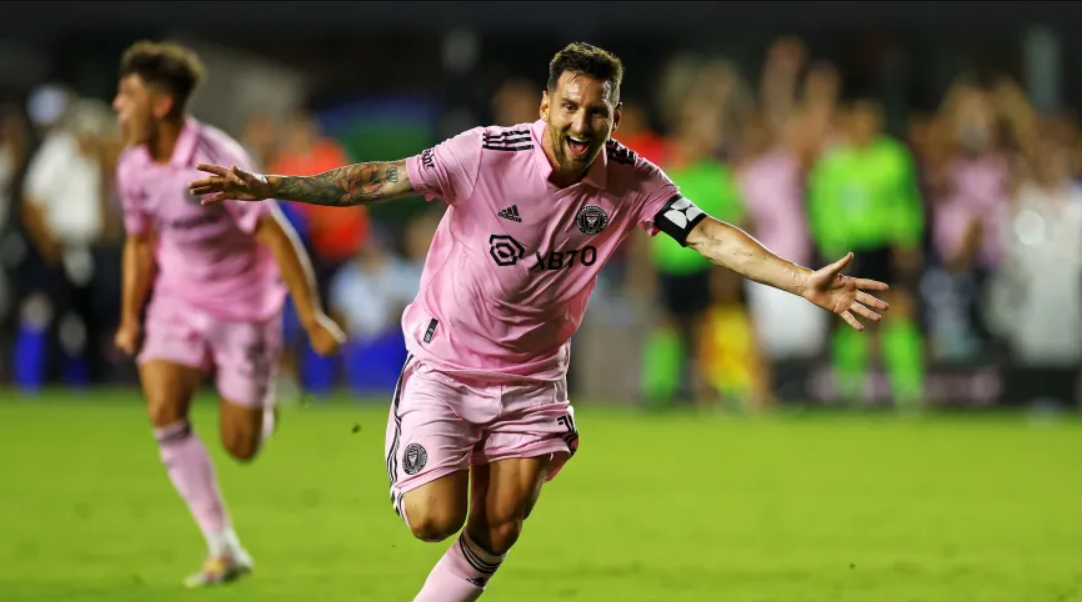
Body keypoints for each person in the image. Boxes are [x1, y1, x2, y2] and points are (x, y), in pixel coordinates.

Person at [190, 42, 889, 601]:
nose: (584, 125)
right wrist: (272, 185)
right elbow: (377, 180)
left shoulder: (632, 178)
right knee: (434, 520)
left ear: (615, 115)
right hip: (447, 363)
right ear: (548, 104)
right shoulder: (484, 154)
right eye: (573, 108)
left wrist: (804, 282)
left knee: (498, 529)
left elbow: (706, 233)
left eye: (600, 112)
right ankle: (426, 437)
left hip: (531, 381)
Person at [111, 41, 345, 588]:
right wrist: (130, 316)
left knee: (241, 446)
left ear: (162, 104)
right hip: (176, 303)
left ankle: (262, 410)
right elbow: (140, 243)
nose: (118, 107)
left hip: (244, 310)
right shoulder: (133, 167)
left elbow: (276, 234)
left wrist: (311, 318)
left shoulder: (216, 157)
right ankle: (223, 546)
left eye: (128, 96)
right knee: (164, 408)